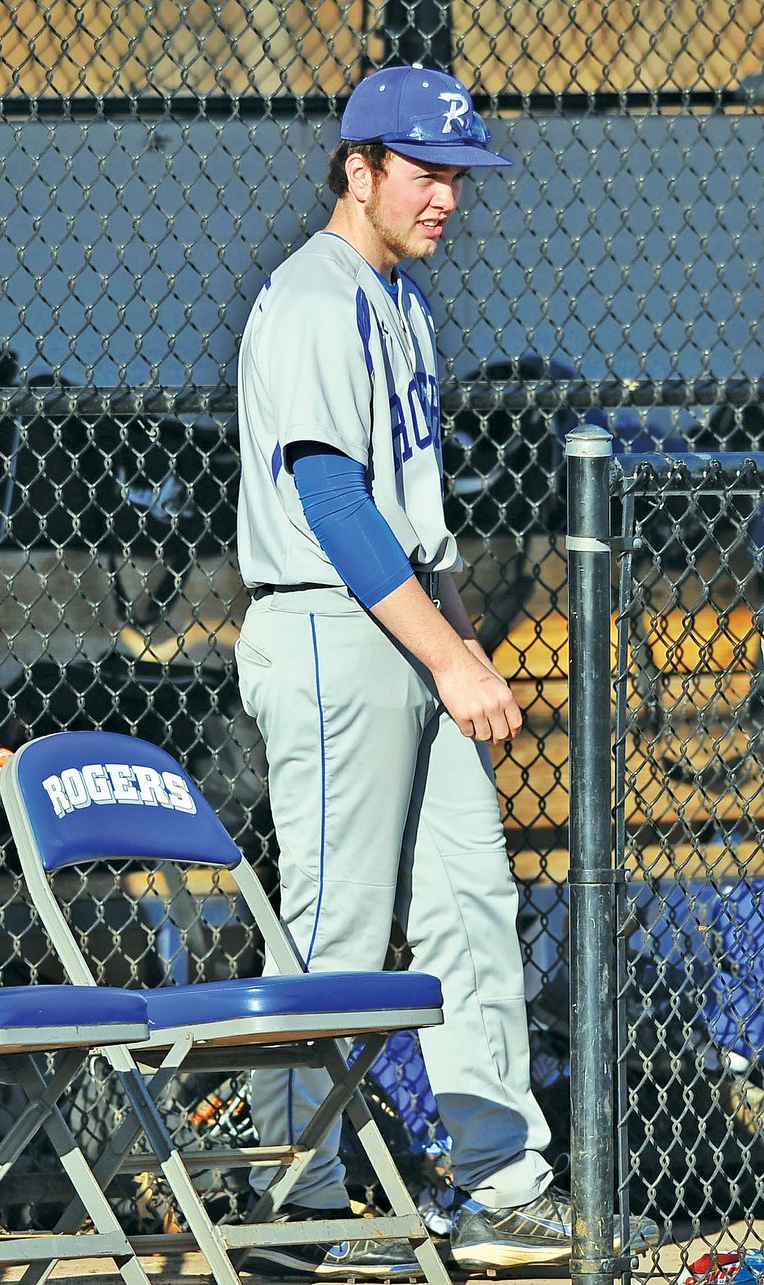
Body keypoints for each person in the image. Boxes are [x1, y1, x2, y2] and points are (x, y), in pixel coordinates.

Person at [234, 63, 658, 1277]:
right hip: (331, 625)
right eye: (423, 172)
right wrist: (446, 652)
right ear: (356, 169)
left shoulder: (399, 300)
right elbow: (330, 498)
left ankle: (499, 1186)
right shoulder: (313, 296)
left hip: (410, 629)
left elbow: (416, 520)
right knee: (336, 929)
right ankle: (285, 1209)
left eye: (455, 177)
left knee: (472, 903)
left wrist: (462, 640)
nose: (446, 199)